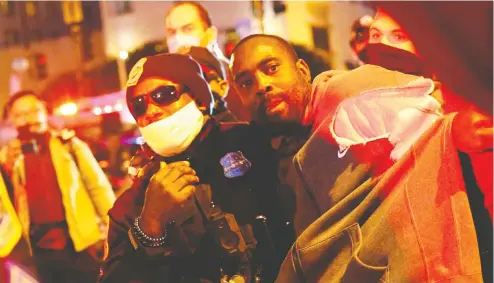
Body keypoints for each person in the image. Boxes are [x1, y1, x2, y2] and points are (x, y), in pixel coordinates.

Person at [99, 53, 296, 283]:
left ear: (198, 98)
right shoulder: (133, 203)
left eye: (163, 95)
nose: (151, 111)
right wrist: (150, 225)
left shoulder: (253, 142)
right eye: (139, 106)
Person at [2, 90, 116, 283]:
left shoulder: (69, 145)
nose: (28, 118)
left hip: (78, 245)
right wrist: (7, 167)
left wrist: (114, 230)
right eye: (20, 115)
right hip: (37, 252)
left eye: (33, 110)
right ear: (12, 121)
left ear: (44, 111)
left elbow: (98, 188)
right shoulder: (10, 157)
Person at [165, 1, 250, 121]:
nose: (178, 39)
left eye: (188, 29)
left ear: (210, 34)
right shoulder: (167, 83)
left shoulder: (235, 77)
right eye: (172, 32)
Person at [179, 46, 237, 122]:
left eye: (201, 78)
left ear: (222, 87)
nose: (191, 88)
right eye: (181, 83)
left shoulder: (237, 132)